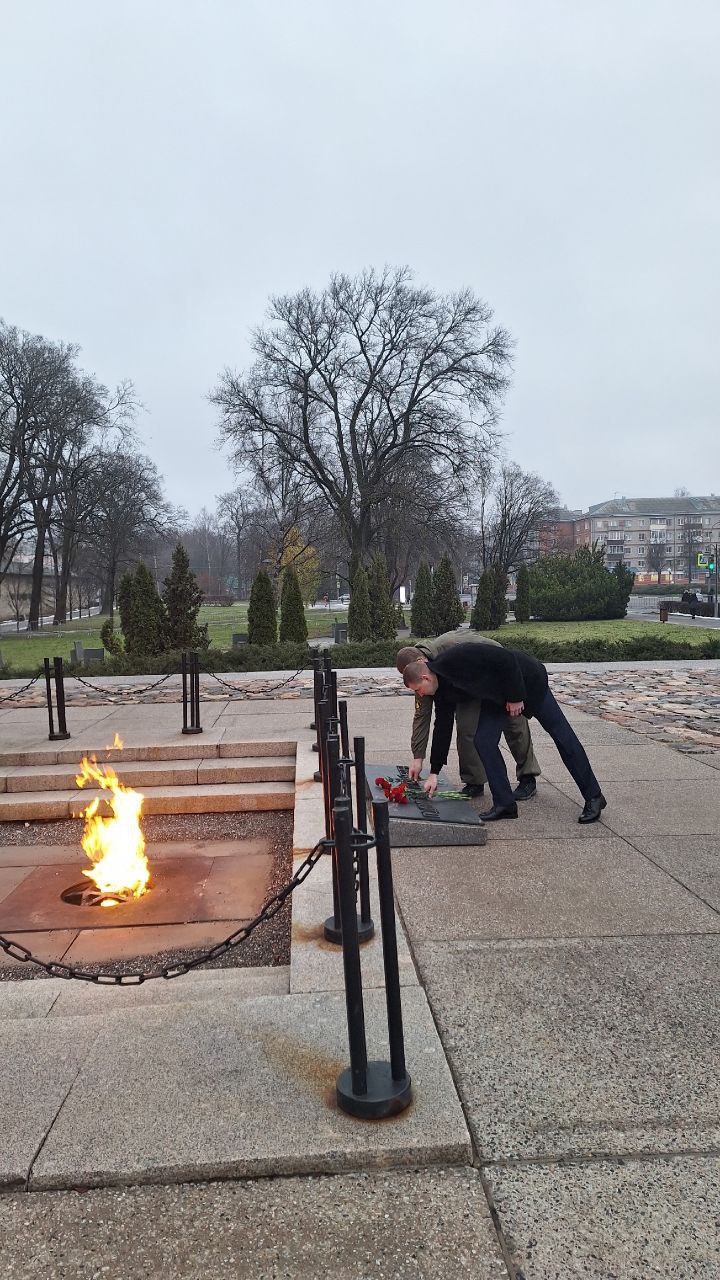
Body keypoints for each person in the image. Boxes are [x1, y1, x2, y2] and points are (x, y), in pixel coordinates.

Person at [402, 642, 606, 824]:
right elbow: (442, 728)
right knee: (483, 741)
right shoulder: (441, 691)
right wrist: (434, 772)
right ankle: (505, 805)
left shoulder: (455, 658)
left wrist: (516, 696)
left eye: (418, 689)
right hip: (496, 696)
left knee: (562, 736)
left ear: (425, 677)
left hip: (527, 679)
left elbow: (506, 658)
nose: (420, 695)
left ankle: (594, 797)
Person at [396, 635, 540, 800]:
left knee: (514, 722)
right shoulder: (418, 675)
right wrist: (418, 757)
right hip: (463, 689)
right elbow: (424, 715)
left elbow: (499, 654)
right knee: (466, 728)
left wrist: (513, 692)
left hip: (494, 673)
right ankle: (474, 781)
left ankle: (528, 776)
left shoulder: (451, 647)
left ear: (421, 662)